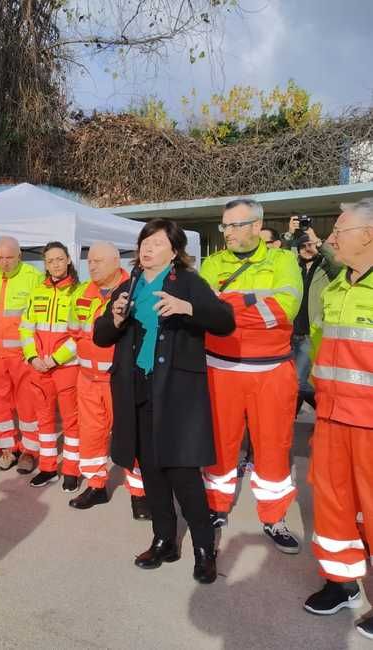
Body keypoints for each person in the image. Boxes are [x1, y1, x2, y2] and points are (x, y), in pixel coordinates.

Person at [94, 219, 235, 584]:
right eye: (145, 241)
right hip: (135, 388)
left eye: (157, 242)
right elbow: (101, 337)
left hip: (174, 392)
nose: (148, 247)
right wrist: (114, 318)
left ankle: (204, 549)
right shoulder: (129, 286)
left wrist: (187, 308)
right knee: (151, 469)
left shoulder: (188, 283)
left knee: (183, 472)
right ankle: (164, 540)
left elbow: (224, 321)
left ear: (174, 250)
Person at [200, 199, 304, 553]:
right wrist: (250, 306)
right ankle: (215, 506)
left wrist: (226, 306)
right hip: (220, 370)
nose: (227, 232)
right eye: (224, 226)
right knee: (220, 445)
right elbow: (204, 313)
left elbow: (284, 311)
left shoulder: (284, 261)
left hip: (271, 372)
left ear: (257, 226)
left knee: (274, 447)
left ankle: (274, 517)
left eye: (234, 225)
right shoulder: (212, 264)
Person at [302, 198, 373, 641]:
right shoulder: (333, 289)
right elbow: (321, 350)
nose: (331, 239)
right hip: (330, 419)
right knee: (331, 506)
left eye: (340, 230)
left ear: (367, 235)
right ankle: (342, 582)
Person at [66, 242, 149, 519]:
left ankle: (140, 494)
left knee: (130, 436)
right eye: (89, 261)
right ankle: (96, 485)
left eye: (99, 261)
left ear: (116, 262)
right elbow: (74, 332)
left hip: (120, 379)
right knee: (91, 436)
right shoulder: (81, 292)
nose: (92, 266)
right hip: (87, 379)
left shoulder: (135, 290)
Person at [0, 236, 42, 472]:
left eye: (10, 257)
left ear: (20, 256)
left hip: (21, 357)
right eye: (0, 257)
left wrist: (32, 353)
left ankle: (29, 451)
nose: (4, 262)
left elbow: (38, 319)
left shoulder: (34, 277)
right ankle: (7, 450)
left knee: (27, 406)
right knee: (0, 406)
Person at [19, 242, 79, 488]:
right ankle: (48, 468)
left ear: (68, 260)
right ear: (45, 264)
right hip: (39, 368)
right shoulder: (37, 292)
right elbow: (25, 328)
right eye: (50, 261)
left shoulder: (79, 291)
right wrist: (33, 357)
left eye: (59, 259)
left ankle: (72, 471)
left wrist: (55, 359)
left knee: (71, 421)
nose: (55, 264)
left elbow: (80, 334)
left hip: (66, 368)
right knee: (43, 421)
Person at [286, 224, 342, 415]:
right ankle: (326, 412)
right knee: (296, 381)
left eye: (311, 245)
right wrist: (290, 235)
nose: (307, 248)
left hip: (312, 332)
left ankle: (288, 419)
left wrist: (318, 241)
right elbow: (281, 257)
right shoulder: (293, 266)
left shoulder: (326, 268)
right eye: (303, 245)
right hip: (290, 333)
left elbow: (338, 263)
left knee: (299, 381)